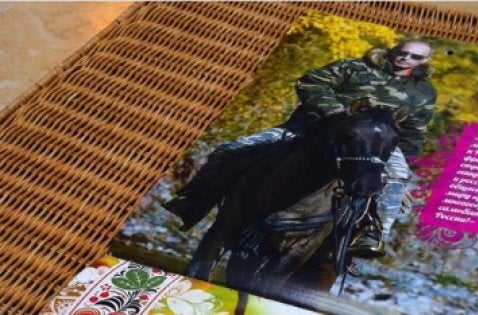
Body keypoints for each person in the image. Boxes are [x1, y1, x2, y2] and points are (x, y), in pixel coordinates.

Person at [164, 39, 437, 259]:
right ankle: (193, 199)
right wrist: (332, 110)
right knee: (232, 147)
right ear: (393, 50)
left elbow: (415, 128)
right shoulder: (353, 67)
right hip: (312, 127)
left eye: (415, 57)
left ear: (424, 61)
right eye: (402, 52)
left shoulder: (423, 92)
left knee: (398, 180)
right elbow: (311, 81)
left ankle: (373, 236)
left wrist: (400, 154)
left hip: (374, 144)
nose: (405, 59)